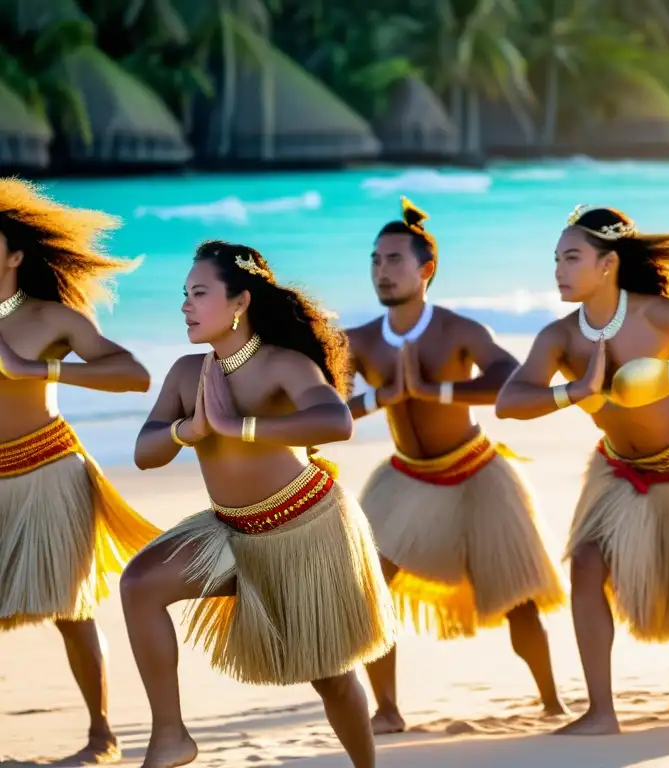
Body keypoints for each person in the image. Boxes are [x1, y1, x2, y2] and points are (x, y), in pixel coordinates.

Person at [122, 241, 396, 768]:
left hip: (305, 528)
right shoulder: (186, 373)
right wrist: (189, 429)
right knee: (139, 584)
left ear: (240, 302)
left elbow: (335, 421)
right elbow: (143, 453)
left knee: (333, 677)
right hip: (229, 531)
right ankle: (170, 736)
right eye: (184, 295)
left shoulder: (281, 365)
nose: (185, 306)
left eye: (199, 294)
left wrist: (236, 427)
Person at [495, 204, 669, 736]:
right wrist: (575, 390)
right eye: (555, 259)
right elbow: (511, 402)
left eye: (572, 258)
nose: (558, 270)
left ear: (608, 263)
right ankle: (601, 712)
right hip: (620, 470)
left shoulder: (661, 315)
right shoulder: (559, 337)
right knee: (587, 566)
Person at [347, 198, 567, 735]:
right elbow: (325, 412)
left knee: (518, 600)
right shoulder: (359, 341)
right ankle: (388, 708)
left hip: (476, 474)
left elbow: (513, 380)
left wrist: (434, 390)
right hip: (406, 478)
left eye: (394, 260)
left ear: (426, 271)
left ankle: (552, 701)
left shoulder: (456, 330)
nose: (382, 270)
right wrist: (384, 397)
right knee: (372, 584)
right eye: (375, 260)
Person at [0, 178, 158, 765]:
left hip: (50, 471)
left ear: (16, 255)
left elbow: (134, 374)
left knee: (71, 613)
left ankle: (102, 735)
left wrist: (34, 369)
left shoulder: (51, 320)